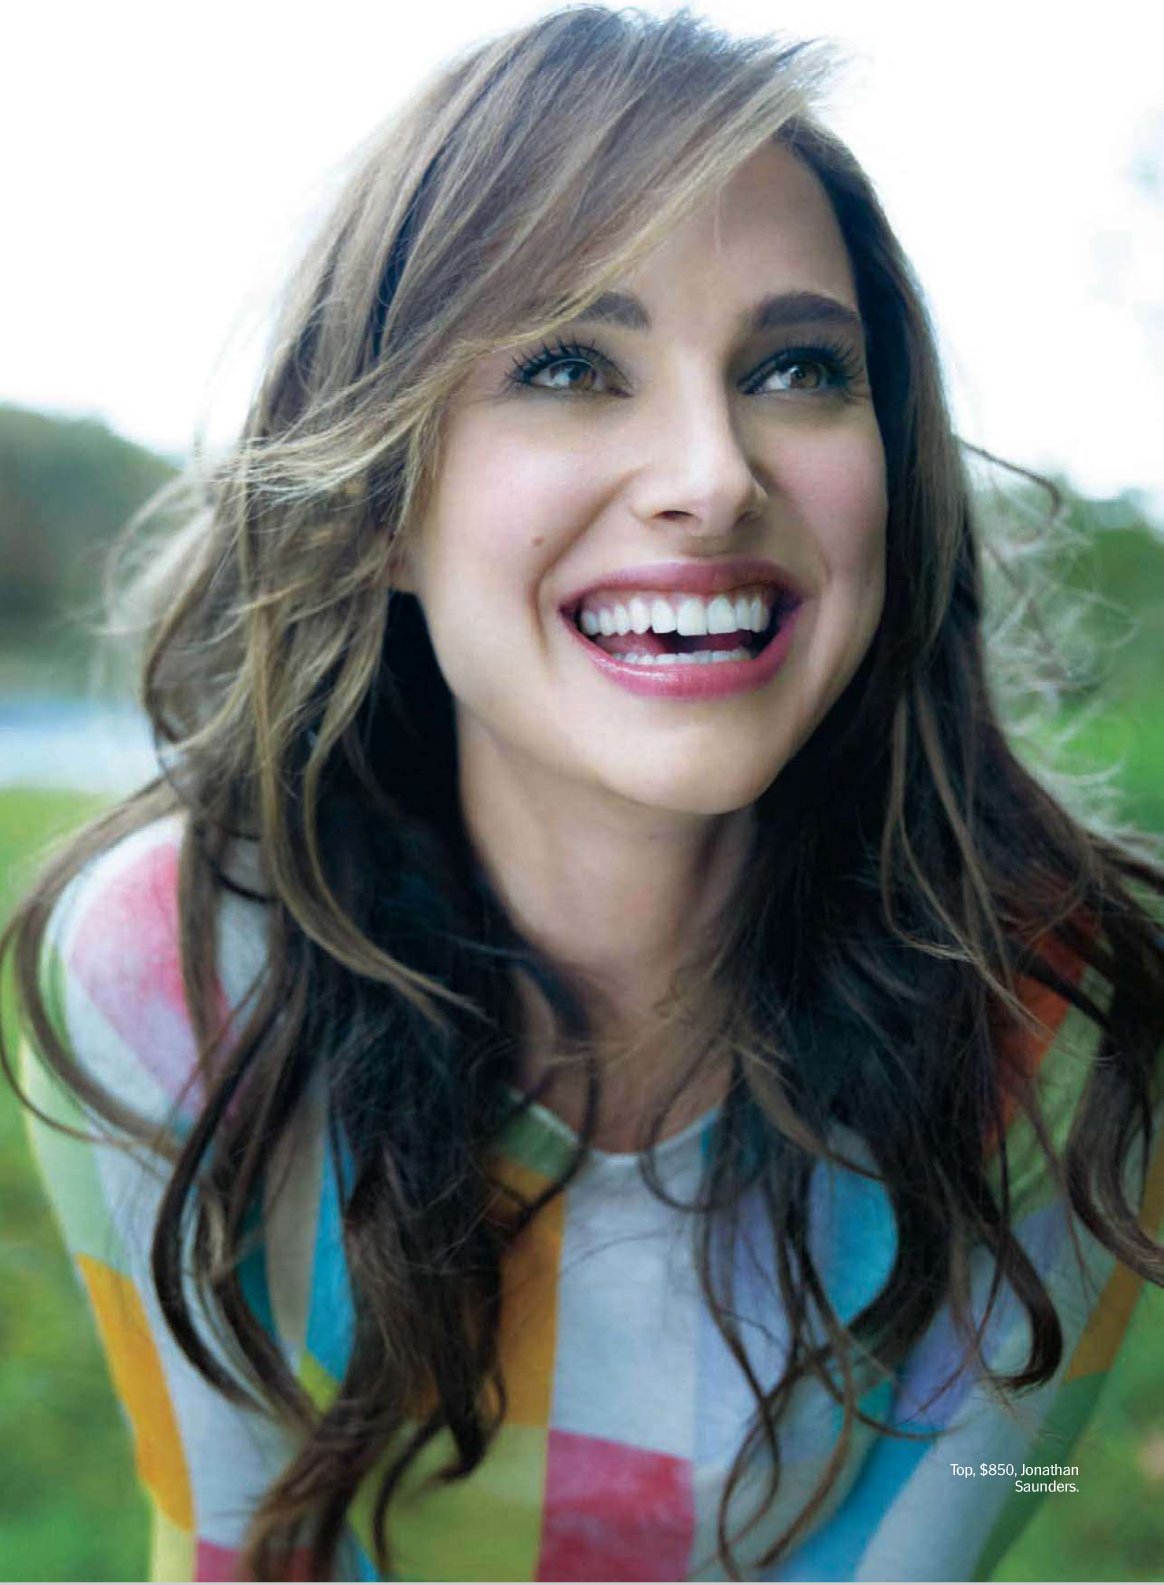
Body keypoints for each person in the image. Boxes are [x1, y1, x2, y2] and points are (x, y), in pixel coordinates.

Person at [5, 7, 1164, 1581]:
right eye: (567, 364)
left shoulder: (1058, 1021)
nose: (716, 472)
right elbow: (246, 1550)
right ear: (377, 503)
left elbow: (930, 1546)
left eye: (797, 368)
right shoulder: (166, 973)